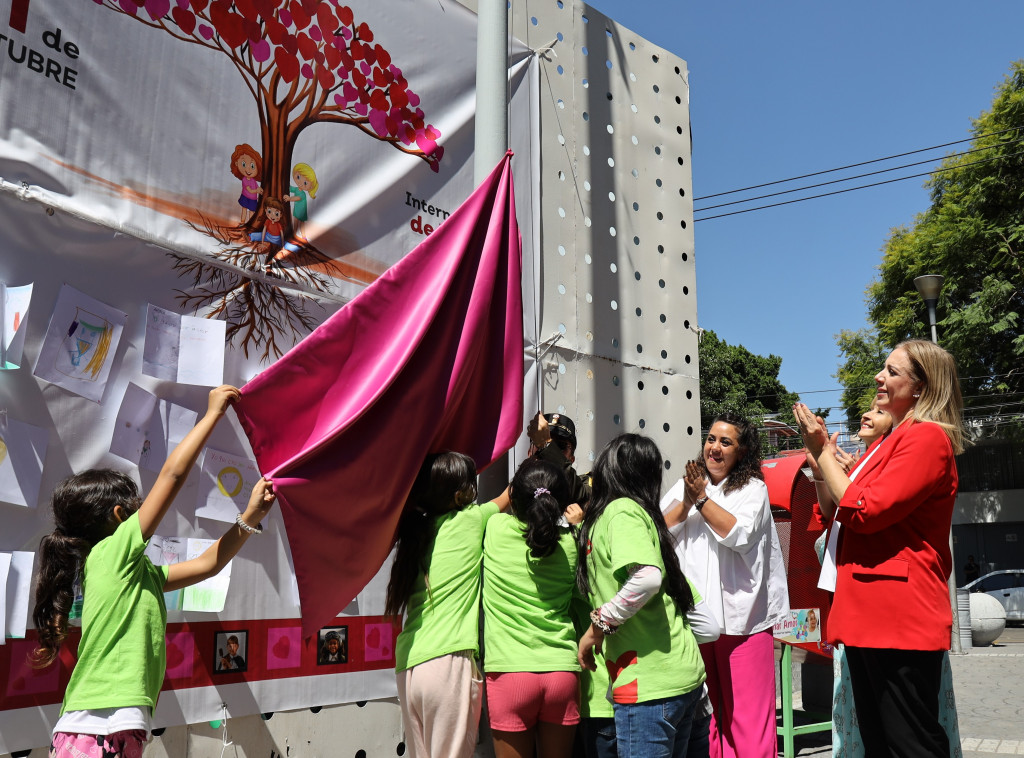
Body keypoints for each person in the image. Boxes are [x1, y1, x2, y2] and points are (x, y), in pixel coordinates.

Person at [33, 385, 275, 758]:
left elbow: (209, 564)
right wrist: (212, 415)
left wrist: (250, 518)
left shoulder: (134, 573)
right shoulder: (111, 554)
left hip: (106, 726)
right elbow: (172, 477)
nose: (145, 510)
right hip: (98, 726)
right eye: (137, 507)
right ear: (119, 517)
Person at [795, 338, 966, 757]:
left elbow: (865, 510)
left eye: (892, 371)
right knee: (879, 741)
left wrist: (822, 452)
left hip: (898, 617)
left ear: (922, 388)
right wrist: (827, 467)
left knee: (909, 742)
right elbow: (842, 510)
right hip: (871, 613)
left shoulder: (927, 439)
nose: (879, 377)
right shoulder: (893, 441)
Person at [577, 433, 716, 758]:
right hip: (683, 682)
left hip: (650, 690)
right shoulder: (643, 520)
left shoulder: (621, 511)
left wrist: (597, 626)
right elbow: (708, 627)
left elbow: (647, 578)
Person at [662, 412, 790, 758]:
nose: (714, 448)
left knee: (749, 725)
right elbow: (658, 531)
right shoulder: (686, 484)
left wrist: (701, 500)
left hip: (742, 624)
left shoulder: (754, 489)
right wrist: (688, 499)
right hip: (698, 623)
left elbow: (739, 535)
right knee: (707, 723)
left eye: (725, 442)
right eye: (711, 439)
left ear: (742, 450)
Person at [385, 451, 510, 758]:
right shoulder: (469, 521)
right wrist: (537, 450)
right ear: (459, 496)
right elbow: (511, 494)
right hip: (448, 663)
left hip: (409, 664)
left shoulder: (416, 530)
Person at [482, 458, 580, 758]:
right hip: (562, 671)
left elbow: (488, 510)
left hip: (509, 673)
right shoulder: (571, 544)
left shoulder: (495, 528)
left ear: (515, 496)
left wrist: (508, 494)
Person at [528, 411, 591, 505]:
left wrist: (546, 444)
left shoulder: (584, 484)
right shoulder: (516, 487)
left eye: (561, 445)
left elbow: (581, 493)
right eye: (539, 443)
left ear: (571, 459)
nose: (546, 453)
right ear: (529, 452)